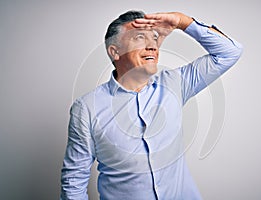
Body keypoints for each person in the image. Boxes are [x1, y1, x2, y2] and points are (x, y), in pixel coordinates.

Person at [60, 10, 243, 200]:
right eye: (140, 38)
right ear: (115, 52)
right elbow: (74, 180)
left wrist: (182, 22)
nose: (152, 46)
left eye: (154, 38)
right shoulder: (87, 108)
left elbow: (230, 52)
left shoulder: (175, 83)